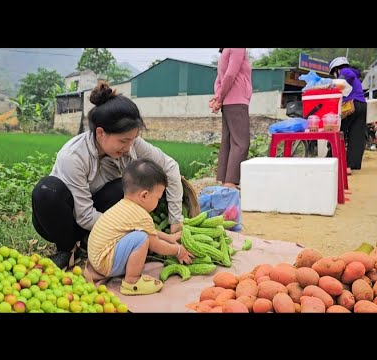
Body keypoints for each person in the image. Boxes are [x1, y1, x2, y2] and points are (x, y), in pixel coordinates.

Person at [31, 81, 185, 269]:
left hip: (100, 218)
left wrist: (176, 220)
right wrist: (134, 229)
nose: (129, 147)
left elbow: (170, 167)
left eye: (132, 140)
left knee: (125, 186)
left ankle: (91, 241)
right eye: (123, 141)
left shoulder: (132, 144)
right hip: (64, 221)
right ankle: (66, 248)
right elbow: (85, 216)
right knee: (47, 190)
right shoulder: (73, 156)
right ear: (101, 133)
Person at [87, 158, 194, 295]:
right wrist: (178, 250)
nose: (158, 201)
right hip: (106, 263)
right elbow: (156, 245)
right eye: (158, 197)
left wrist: (168, 237)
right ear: (144, 195)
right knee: (140, 238)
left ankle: (128, 275)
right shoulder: (141, 215)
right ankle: (132, 281)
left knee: (141, 235)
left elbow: (151, 231)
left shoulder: (123, 206)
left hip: (97, 259)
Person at [209, 48, 252, 189]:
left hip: (228, 103)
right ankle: (231, 182)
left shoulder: (225, 52)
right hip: (237, 101)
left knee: (228, 141)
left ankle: (225, 180)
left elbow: (219, 80)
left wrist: (218, 98)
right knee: (241, 143)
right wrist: (219, 99)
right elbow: (229, 75)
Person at [329, 56, 367, 175]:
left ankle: (331, 160)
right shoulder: (355, 75)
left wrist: (336, 84)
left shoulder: (345, 71)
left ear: (337, 69)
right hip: (362, 105)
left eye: (334, 73)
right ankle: (350, 166)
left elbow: (346, 77)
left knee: (338, 131)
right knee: (356, 135)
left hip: (351, 106)